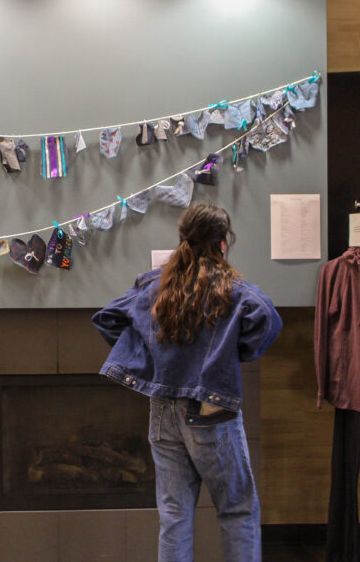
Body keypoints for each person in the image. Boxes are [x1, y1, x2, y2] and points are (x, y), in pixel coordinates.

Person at [92, 203, 282, 562]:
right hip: (212, 412)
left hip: (162, 412)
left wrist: (148, 354)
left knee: (174, 517)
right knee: (238, 510)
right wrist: (230, 352)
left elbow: (108, 320)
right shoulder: (235, 290)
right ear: (222, 244)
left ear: (183, 239)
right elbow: (267, 320)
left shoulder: (153, 283)